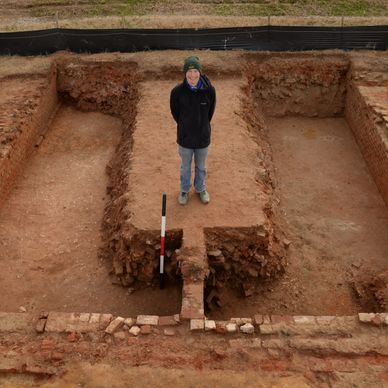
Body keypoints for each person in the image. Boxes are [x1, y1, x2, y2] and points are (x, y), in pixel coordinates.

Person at [170, 56, 216, 206]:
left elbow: (210, 113)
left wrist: (202, 126)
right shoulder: (177, 92)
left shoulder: (209, 91)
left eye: (195, 71)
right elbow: (175, 113)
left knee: (201, 167)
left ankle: (200, 189)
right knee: (185, 167)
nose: (192, 75)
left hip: (203, 137)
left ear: (200, 72)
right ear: (185, 73)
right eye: (189, 72)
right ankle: (184, 190)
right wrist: (185, 126)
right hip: (185, 138)